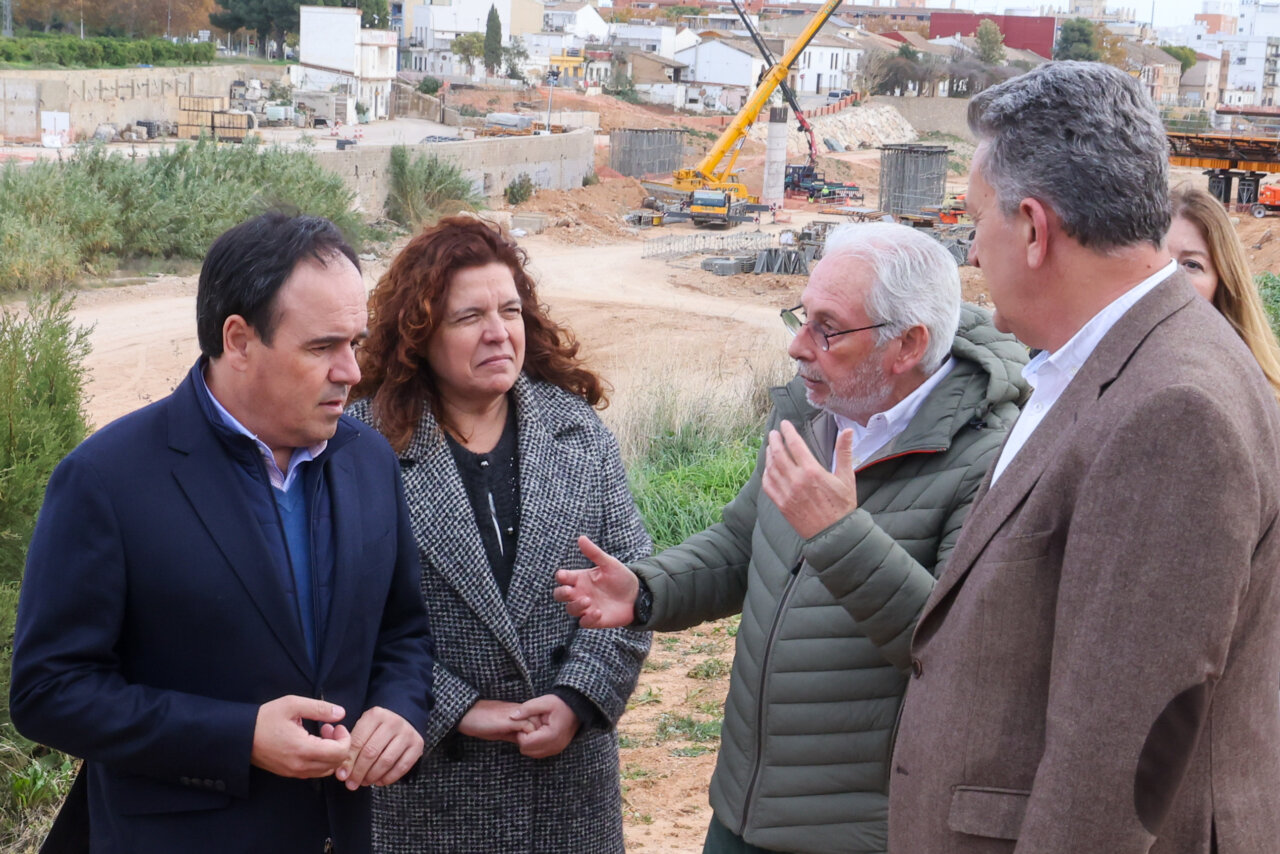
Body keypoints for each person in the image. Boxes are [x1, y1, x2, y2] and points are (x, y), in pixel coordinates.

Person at [890, 62, 1280, 853]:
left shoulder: (1174, 410)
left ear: (1034, 228)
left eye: (976, 220)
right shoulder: (1110, 363)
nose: (970, 250)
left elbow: (1115, 759)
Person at [555, 221, 1027, 854]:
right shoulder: (815, 411)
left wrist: (838, 533)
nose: (798, 347)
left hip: (858, 835)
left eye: (827, 328)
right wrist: (646, 588)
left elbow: (951, 651)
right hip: (743, 812)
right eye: (801, 318)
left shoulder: (992, 460)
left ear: (907, 344)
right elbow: (746, 543)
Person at [9, 213, 435, 854]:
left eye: (356, 342)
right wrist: (239, 738)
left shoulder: (369, 460)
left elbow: (402, 634)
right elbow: (49, 691)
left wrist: (400, 711)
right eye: (323, 347)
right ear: (238, 340)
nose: (350, 371)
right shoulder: (107, 479)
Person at [347, 216, 650, 854]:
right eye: (468, 318)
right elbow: (341, 621)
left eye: (510, 310)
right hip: (428, 789)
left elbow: (633, 588)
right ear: (418, 333)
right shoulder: (360, 447)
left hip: (569, 788)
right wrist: (456, 709)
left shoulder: (578, 432)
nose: (498, 333)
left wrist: (576, 697)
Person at [1168, 183, 1280, 401]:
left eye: (1191, 265)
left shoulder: (1232, 389)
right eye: (1158, 260)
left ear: (1222, 284)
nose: (1170, 278)